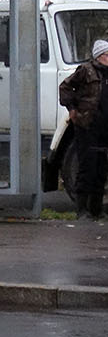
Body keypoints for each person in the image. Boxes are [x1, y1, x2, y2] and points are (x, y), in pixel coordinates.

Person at [57, 38, 108, 219]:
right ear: (100, 56)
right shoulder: (86, 71)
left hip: (104, 127)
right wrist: (72, 109)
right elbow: (65, 87)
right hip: (87, 125)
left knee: (101, 169)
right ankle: (81, 210)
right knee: (87, 167)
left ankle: (96, 209)